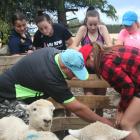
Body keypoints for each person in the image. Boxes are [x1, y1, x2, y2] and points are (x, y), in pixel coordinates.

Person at [0, 47, 112, 126]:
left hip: (15, 90)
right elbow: (77, 108)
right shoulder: (50, 76)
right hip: (6, 97)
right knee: (29, 125)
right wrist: (102, 121)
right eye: (74, 73)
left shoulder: (54, 53)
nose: (74, 77)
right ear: (66, 68)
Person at [79, 43, 140, 140]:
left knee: (126, 123)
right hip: (137, 83)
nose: (86, 68)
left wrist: (121, 110)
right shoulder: (109, 52)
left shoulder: (106, 65)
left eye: (85, 64)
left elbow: (128, 86)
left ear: (91, 56)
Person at [73, 7, 112, 99]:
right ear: (86, 22)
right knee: (89, 96)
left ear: (99, 22)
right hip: (87, 67)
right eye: (90, 24)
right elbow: (74, 46)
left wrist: (99, 48)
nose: (93, 27)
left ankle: (99, 112)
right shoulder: (83, 29)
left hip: (100, 65)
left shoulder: (102, 28)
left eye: (95, 24)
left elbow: (110, 45)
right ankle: (90, 111)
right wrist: (86, 50)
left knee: (101, 96)